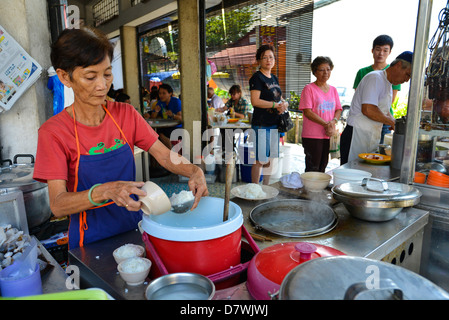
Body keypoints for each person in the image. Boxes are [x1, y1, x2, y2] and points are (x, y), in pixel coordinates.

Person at [33, 27, 208, 250]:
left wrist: (194, 171)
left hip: (136, 228)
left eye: (107, 74)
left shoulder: (125, 114)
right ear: (65, 77)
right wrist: (106, 190)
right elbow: (58, 204)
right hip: (90, 241)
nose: (102, 85)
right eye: (90, 77)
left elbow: (164, 157)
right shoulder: (53, 132)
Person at [340, 51, 413, 164]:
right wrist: (391, 122)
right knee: (352, 174)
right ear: (398, 65)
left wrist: (394, 121)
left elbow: (384, 111)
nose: (407, 80)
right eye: (407, 74)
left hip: (369, 136)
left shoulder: (388, 83)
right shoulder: (375, 78)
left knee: (364, 173)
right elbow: (368, 109)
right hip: (356, 135)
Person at [249, 44, 289, 184]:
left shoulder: (274, 78)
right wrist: (274, 105)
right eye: (264, 57)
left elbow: (279, 97)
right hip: (261, 124)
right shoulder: (257, 78)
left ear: (274, 60)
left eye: (271, 57)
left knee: (271, 158)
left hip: (275, 124)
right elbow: (255, 101)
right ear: (259, 60)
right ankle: (255, 188)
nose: (268, 60)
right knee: (260, 159)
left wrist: (284, 104)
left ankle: (265, 188)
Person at [353, 35, 401, 144]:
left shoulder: (395, 74)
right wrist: (370, 109)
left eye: (385, 50)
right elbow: (360, 98)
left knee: (380, 151)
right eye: (378, 49)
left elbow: (390, 101)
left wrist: (387, 119)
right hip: (364, 120)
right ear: (372, 50)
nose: (381, 53)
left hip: (385, 119)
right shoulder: (362, 72)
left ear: (390, 52)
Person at [299, 56, 342, 172]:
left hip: (327, 134)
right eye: (322, 70)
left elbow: (338, 109)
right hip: (312, 135)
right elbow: (307, 112)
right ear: (315, 72)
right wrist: (326, 124)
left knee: (323, 165)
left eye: (328, 69)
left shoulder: (333, 90)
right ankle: (309, 189)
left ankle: (318, 189)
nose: (326, 73)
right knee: (313, 167)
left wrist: (333, 122)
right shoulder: (309, 89)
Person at [149, 83, 183, 149]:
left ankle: (169, 153)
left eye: (164, 93)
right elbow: (152, 118)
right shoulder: (160, 102)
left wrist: (173, 115)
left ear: (170, 93)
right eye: (160, 93)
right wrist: (155, 112)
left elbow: (181, 119)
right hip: (166, 127)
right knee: (155, 134)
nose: (161, 95)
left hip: (177, 128)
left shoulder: (176, 102)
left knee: (160, 134)